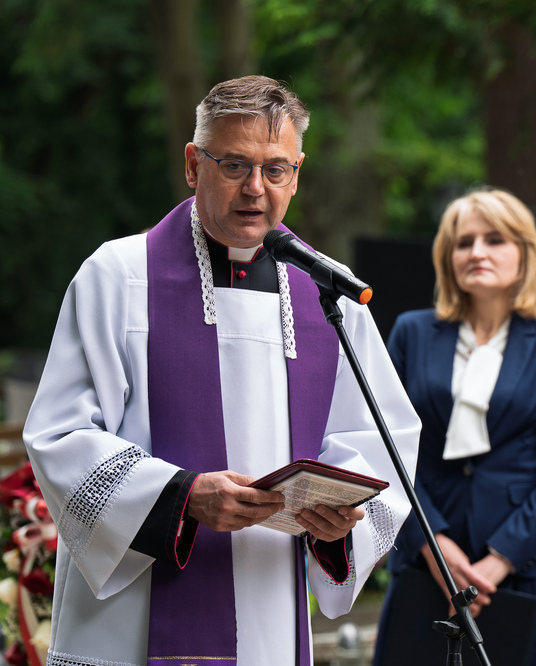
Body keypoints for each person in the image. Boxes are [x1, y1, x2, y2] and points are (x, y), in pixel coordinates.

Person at [21, 75, 420, 665]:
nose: (255, 189)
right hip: (133, 620)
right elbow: (58, 436)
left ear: (297, 172)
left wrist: (339, 522)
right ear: (192, 164)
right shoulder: (119, 276)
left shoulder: (326, 294)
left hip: (270, 610)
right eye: (234, 164)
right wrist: (182, 496)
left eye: (275, 168)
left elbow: (382, 440)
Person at [371, 188, 536, 666]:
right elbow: (386, 449)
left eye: (494, 240)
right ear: (447, 256)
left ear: (524, 254)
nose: (476, 252)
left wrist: (499, 560)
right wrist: (434, 548)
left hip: (526, 568)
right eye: (463, 241)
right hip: (429, 566)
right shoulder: (412, 332)